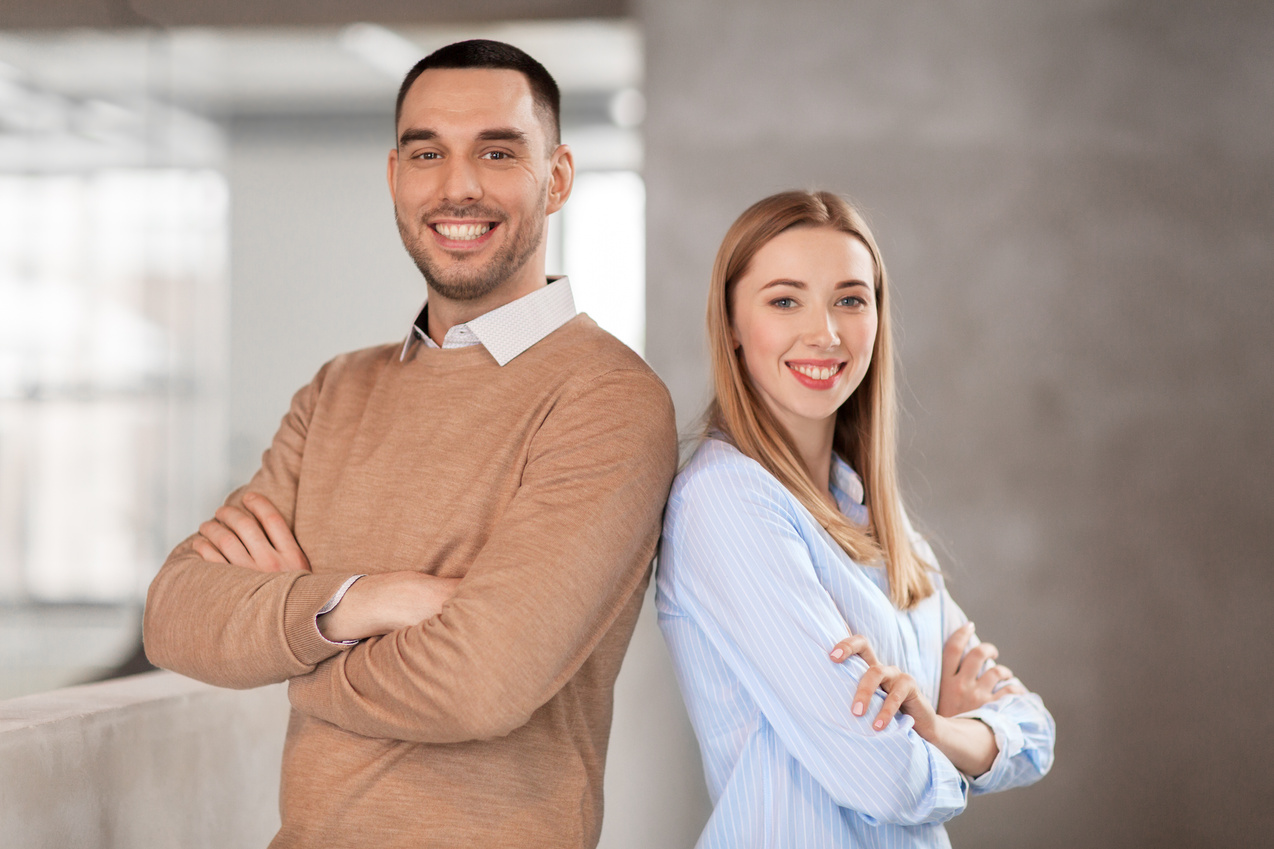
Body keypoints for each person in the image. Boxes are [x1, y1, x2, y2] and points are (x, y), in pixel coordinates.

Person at [143, 40, 677, 849]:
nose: (458, 184)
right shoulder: (337, 392)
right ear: (395, 175)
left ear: (558, 177)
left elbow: (479, 683)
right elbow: (175, 613)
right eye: (428, 152)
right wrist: (361, 600)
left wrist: (295, 643)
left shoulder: (606, 398)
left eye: (498, 151)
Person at [656, 190, 1054, 847]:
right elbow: (890, 781)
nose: (826, 332)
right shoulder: (725, 502)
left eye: (850, 299)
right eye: (785, 300)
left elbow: (1035, 731)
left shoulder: (877, 518)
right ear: (731, 321)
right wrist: (967, 745)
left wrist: (936, 728)